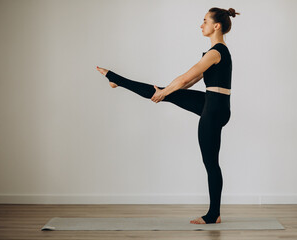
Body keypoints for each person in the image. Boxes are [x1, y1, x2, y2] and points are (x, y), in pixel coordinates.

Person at [96, 7, 240, 224]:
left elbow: (184, 78)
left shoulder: (215, 52)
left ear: (216, 26)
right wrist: (166, 92)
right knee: (164, 92)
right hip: (214, 103)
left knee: (211, 163)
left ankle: (214, 214)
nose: (201, 25)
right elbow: (191, 81)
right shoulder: (217, 52)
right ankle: (116, 79)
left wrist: (165, 92)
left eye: (204, 21)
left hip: (214, 109)